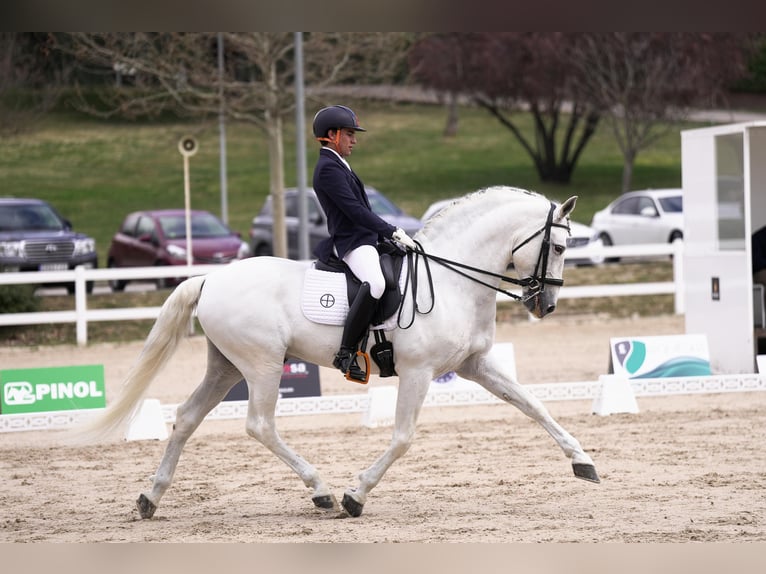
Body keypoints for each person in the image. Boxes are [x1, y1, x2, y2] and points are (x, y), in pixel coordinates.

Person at [311, 104, 416, 381]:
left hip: (366, 238)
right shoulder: (327, 169)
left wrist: (384, 237)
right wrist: (392, 230)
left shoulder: (339, 164)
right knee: (377, 283)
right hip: (352, 242)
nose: (354, 140)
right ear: (331, 135)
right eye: (348, 134)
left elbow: (362, 210)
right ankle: (346, 352)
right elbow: (355, 212)